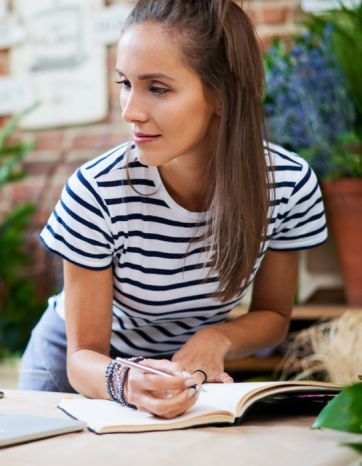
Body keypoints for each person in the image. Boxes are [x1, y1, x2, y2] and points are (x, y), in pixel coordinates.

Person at [17, 0, 327, 420]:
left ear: (221, 95)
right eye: (125, 83)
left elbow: (273, 316)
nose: (130, 111)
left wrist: (215, 339)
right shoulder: (96, 191)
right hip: (78, 376)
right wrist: (128, 381)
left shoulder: (289, 186)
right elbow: (82, 356)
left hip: (177, 376)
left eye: (157, 88)